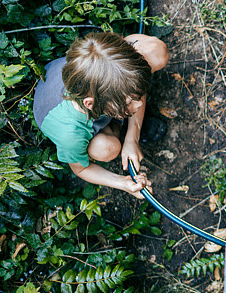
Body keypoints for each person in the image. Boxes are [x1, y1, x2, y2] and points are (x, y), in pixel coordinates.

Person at [33, 31, 169, 198]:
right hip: (76, 119)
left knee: (157, 52)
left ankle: (123, 118)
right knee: (106, 148)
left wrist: (132, 138)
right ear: (90, 104)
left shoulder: (102, 79)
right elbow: (81, 168)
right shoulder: (71, 134)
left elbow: (151, 53)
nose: (139, 104)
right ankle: (117, 126)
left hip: (102, 95)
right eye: (129, 102)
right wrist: (123, 183)